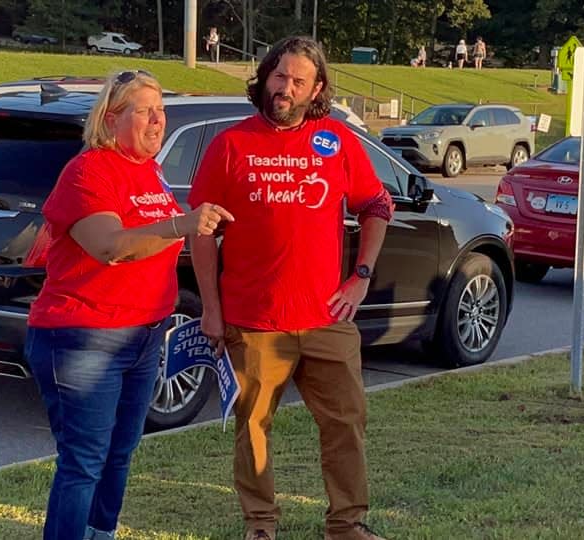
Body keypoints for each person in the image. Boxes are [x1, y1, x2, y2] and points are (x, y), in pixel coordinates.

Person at [188, 36, 394, 540]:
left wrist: (360, 277)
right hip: (253, 319)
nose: (287, 89)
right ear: (265, 77)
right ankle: (260, 525)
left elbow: (377, 205)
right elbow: (201, 231)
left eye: (299, 80)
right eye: (280, 77)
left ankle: (347, 525)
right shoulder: (231, 144)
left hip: (328, 318)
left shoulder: (338, 141)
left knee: (346, 425)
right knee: (253, 427)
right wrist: (211, 311)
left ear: (317, 87)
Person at [25, 70, 234, 540]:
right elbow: (109, 246)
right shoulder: (89, 170)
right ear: (111, 117)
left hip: (144, 334)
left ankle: (102, 532)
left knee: (120, 452)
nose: (158, 121)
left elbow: (150, 244)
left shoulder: (148, 171)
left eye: (161, 111)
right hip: (84, 335)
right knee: (84, 461)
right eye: (145, 110)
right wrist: (182, 225)